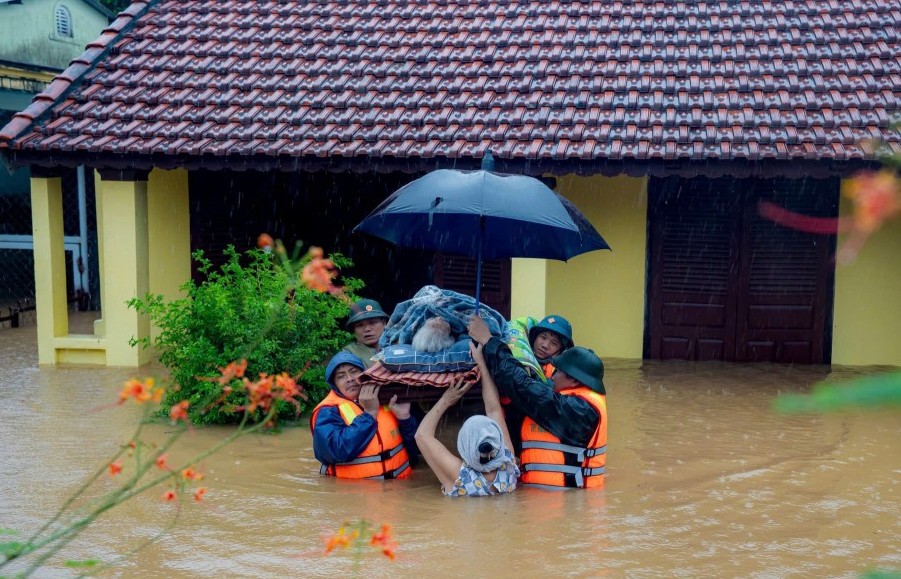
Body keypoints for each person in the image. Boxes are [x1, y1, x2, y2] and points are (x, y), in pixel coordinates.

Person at [469, 315, 607, 490]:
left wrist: (489, 341)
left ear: (573, 380)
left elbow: (524, 387)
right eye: (543, 338)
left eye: (558, 372)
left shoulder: (579, 410)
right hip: (544, 499)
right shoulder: (573, 398)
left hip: (567, 503)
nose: (553, 376)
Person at [414, 342, 520, 496]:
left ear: (463, 447)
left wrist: (446, 400)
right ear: (498, 440)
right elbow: (493, 409)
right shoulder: (508, 465)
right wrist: (482, 364)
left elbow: (421, 435)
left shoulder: (459, 476)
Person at [311, 351, 418, 479]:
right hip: (356, 493)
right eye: (341, 376)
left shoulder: (386, 399)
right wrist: (369, 414)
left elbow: (415, 453)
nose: (349, 378)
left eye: (354, 371)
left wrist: (405, 419)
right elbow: (333, 451)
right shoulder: (327, 411)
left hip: (400, 488)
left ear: (364, 375)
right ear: (335, 384)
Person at [342, 298, 389, 368]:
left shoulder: (399, 345)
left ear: (384, 323)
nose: (367, 329)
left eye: (372, 322)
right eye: (360, 325)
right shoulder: (348, 355)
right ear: (354, 330)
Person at [528, 315, 574, 379]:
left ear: (561, 351)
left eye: (554, 343)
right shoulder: (516, 356)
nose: (545, 346)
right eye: (543, 337)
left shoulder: (562, 375)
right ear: (535, 337)